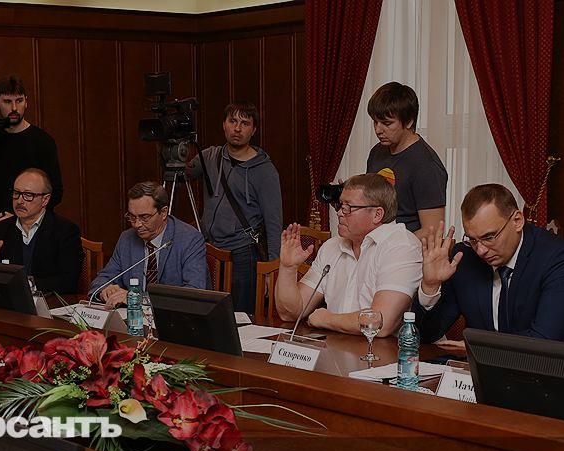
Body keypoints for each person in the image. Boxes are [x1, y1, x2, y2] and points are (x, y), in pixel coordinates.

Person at [413, 184, 564, 343]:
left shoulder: (559, 258)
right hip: (476, 362)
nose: (480, 250)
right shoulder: (464, 257)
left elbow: (545, 340)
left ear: (517, 221)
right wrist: (430, 287)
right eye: (473, 240)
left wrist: (480, 346)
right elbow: (427, 335)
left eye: (489, 237)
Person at [274, 173, 422, 336]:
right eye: (340, 205)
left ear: (377, 214)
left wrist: (326, 319)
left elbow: (381, 322)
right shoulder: (332, 246)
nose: (339, 213)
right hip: (336, 345)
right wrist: (288, 268)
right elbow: (290, 313)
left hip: (382, 350)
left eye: (348, 208)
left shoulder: (401, 245)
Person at [187, 101, 282, 314]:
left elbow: (274, 224)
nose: (237, 128)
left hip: (243, 253)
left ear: (253, 130)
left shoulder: (265, 171)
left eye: (245, 123)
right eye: (233, 121)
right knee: (209, 314)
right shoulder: (210, 156)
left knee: (240, 317)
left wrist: (271, 271)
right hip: (209, 250)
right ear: (224, 124)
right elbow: (183, 172)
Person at [88, 182, 208, 309]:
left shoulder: (189, 239)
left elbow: (194, 292)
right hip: (133, 318)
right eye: (132, 217)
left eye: (144, 217)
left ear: (163, 212)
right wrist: (106, 290)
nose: (137, 224)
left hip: (174, 317)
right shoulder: (127, 239)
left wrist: (138, 299)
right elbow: (101, 281)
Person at [0, 74, 63, 225]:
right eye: (7, 101)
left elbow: (55, 192)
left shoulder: (42, 142)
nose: (14, 108)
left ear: (26, 102)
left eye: (19, 101)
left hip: (32, 228)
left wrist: (20, 217)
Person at [0, 168, 83, 295]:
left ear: (45, 200)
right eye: (16, 193)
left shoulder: (65, 231)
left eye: (28, 195)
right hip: (10, 303)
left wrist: (28, 285)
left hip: (49, 302)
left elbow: (68, 281)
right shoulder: (1, 229)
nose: (19, 201)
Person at [365, 82, 447, 237]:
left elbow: (432, 231)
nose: (378, 130)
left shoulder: (426, 165)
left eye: (387, 123)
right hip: (373, 241)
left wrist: (392, 246)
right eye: (375, 122)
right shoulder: (377, 152)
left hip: (405, 248)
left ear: (409, 121)